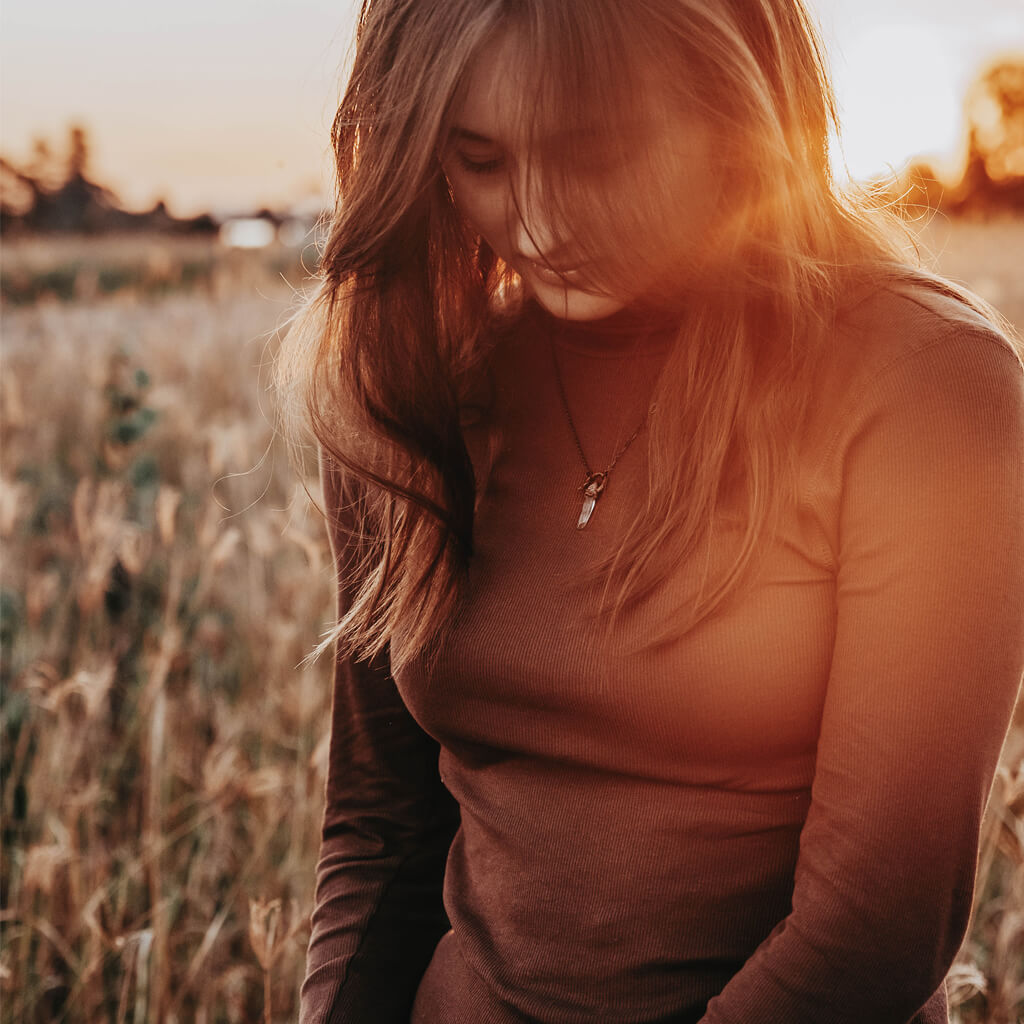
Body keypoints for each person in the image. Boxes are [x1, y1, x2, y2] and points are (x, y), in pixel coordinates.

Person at [277, 1, 1024, 1021]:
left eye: (596, 153)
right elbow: (380, 828)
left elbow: (879, 922)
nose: (537, 222)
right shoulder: (418, 384)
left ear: (735, 110)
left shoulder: (923, 383)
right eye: (480, 158)